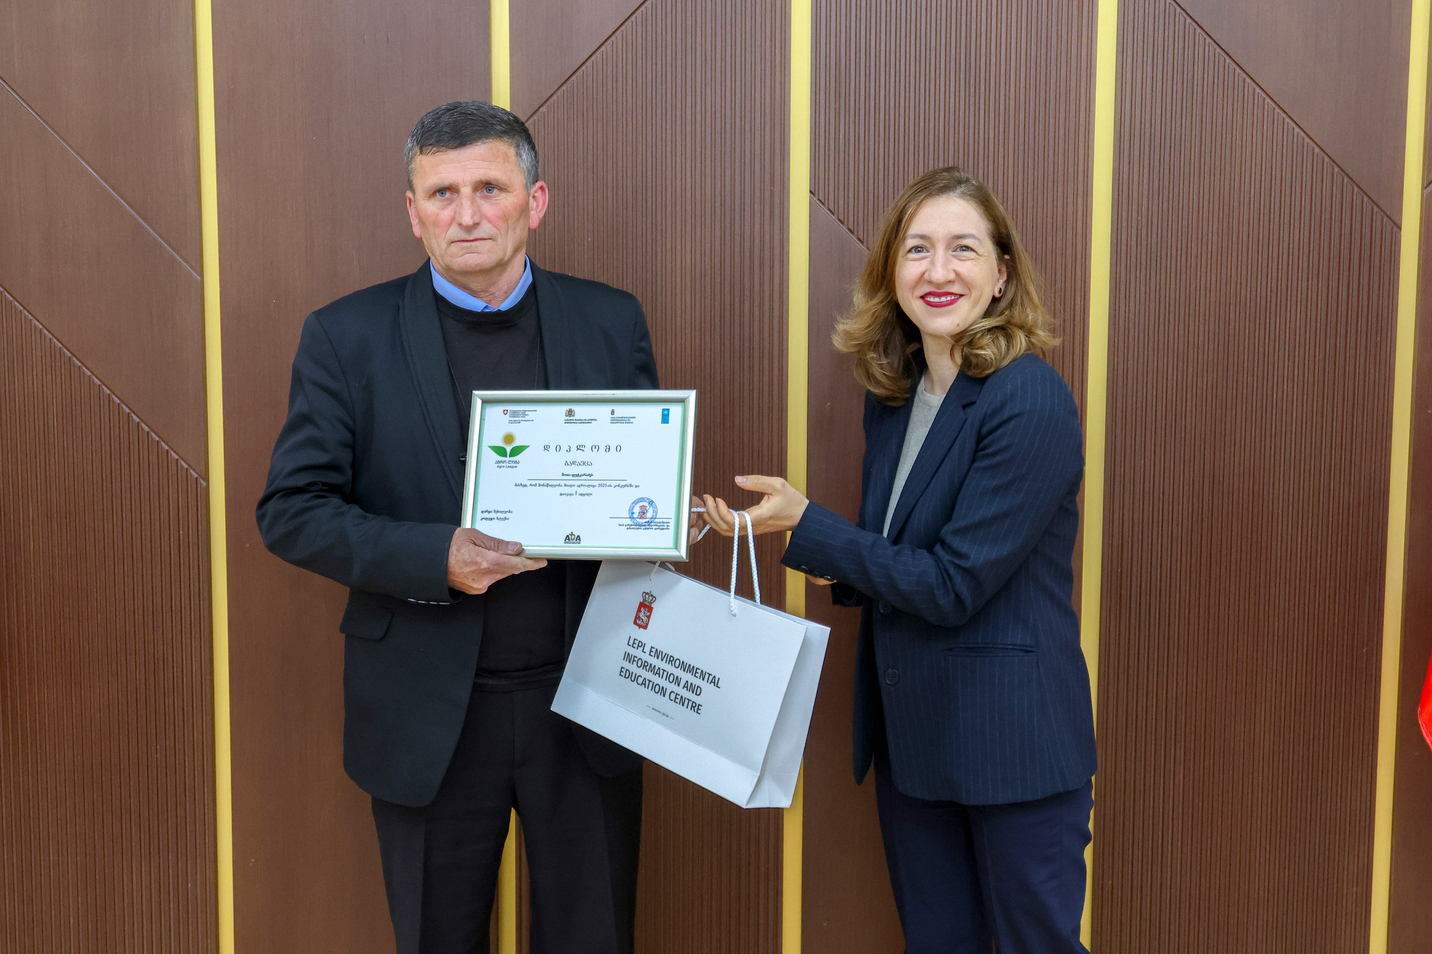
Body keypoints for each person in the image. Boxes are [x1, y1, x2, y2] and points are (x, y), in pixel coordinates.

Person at [257, 101, 660, 954]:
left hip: (585, 704)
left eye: (489, 188)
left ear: (535, 200)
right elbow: (290, 510)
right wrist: (431, 555)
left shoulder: (611, 320)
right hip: (427, 715)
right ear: (413, 212)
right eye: (442, 193)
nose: (467, 214)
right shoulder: (345, 336)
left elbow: (633, 482)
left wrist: (657, 512)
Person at [701, 167, 1096, 953]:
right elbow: (901, 551)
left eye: (963, 249)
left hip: (1012, 749)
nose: (938, 270)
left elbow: (953, 584)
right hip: (916, 746)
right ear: (891, 271)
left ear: (1001, 275)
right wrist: (829, 555)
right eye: (917, 249)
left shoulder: (1029, 398)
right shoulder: (895, 396)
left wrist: (812, 525)